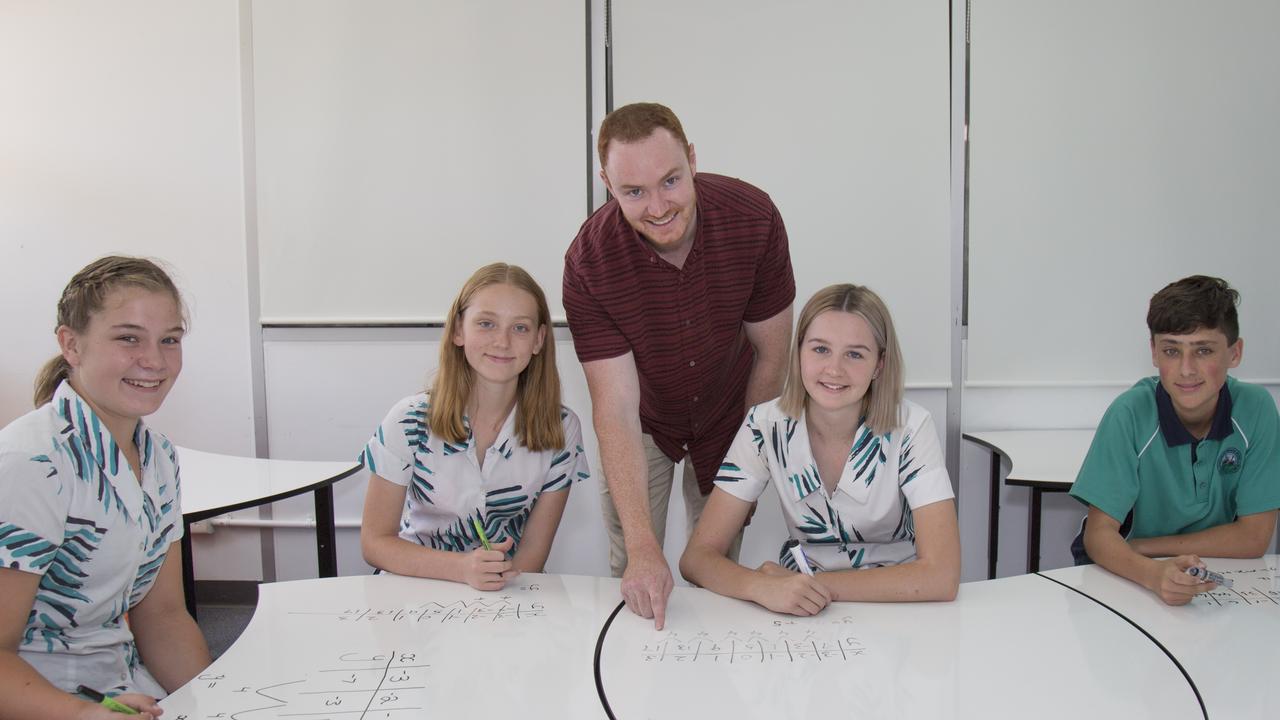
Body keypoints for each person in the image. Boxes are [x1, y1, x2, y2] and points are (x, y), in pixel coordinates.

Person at [563, 102, 796, 628]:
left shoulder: (753, 219)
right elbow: (616, 407)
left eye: (670, 181)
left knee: (716, 571)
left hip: (729, 410)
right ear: (607, 183)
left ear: (692, 159)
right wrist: (646, 548)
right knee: (635, 569)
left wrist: (745, 464)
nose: (658, 206)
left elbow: (771, 355)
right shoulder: (588, 263)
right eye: (634, 192)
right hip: (643, 421)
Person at [0, 256, 212, 720]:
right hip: (44, 702)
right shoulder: (30, 463)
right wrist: (81, 714)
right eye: (128, 338)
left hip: (124, 688)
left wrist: (218, 702)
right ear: (70, 345)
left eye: (169, 340)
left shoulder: (157, 455)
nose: (154, 361)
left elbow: (164, 617)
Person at [680, 284, 960, 614]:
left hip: (899, 604)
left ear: (879, 365)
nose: (834, 369)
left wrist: (814, 586)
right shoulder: (765, 424)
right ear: (798, 353)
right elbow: (697, 558)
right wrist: (761, 586)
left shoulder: (912, 427)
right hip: (801, 609)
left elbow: (942, 576)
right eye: (820, 349)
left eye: (855, 354)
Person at [360, 263, 589, 590]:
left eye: (520, 328)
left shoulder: (562, 430)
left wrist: (494, 600)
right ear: (458, 331)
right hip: (414, 593)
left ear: (539, 340)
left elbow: (532, 556)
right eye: (486, 324)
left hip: (506, 592)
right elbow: (375, 542)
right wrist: (462, 569)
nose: (502, 341)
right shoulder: (407, 420)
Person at [1069, 275, 1280, 606]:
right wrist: (1152, 573)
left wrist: (1143, 546)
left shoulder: (1257, 409)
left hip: (1205, 571)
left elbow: (1254, 539)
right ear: (1153, 352)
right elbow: (1098, 538)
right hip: (1127, 571)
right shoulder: (1129, 413)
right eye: (1171, 350)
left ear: (1235, 352)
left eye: (1203, 350)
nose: (1186, 369)